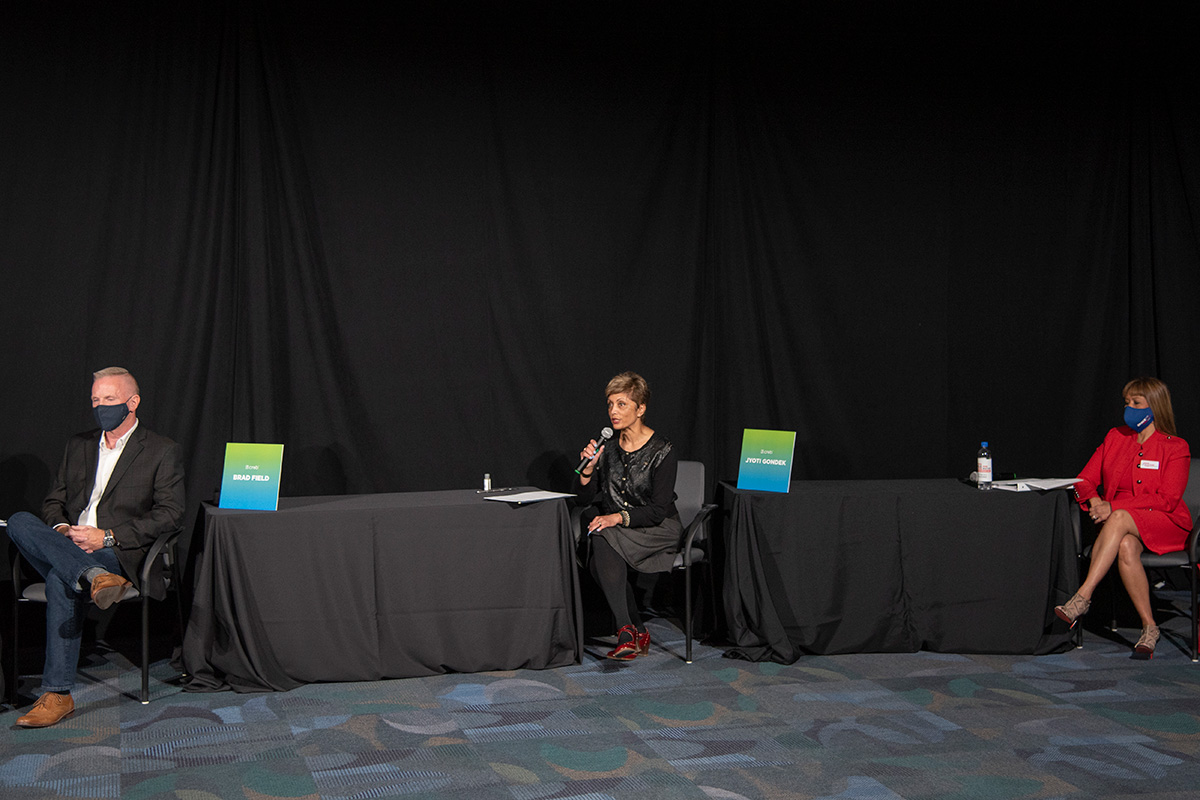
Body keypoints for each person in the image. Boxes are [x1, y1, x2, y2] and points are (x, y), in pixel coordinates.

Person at [7, 367, 185, 726]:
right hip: (68, 543)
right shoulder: (79, 445)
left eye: (109, 399)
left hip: (116, 550)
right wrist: (60, 528)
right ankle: (93, 576)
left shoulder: (162, 451)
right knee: (18, 521)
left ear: (132, 403)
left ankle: (56, 694)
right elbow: (53, 501)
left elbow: (170, 515)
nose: (100, 407)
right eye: (95, 400)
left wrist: (105, 536)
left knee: (61, 579)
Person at [1055, 377, 1192, 658]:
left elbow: (1168, 499)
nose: (1128, 408)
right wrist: (1095, 500)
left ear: (1154, 407)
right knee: (1126, 545)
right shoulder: (1116, 437)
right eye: (1127, 402)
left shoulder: (1175, 447)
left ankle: (1082, 597)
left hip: (1165, 522)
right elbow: (1083, 479)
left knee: (1117, 517)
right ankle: (1150, 627)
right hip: (1124, 523)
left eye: (1136, 403)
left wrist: (1113, 506)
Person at [574, 371, 682, 660]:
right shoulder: (607, 448)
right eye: (610, 404)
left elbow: (658, 510)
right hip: (618, 529)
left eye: (622, 404)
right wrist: (588, 468)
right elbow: (585, 496)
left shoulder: (663, 450)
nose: (613, 412)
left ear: (640, 409)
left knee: (602, 532)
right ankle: (631, 629)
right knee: (596, 527)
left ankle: (630, 630)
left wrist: (618, 518)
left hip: (656, 527)